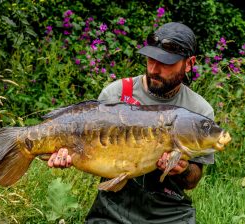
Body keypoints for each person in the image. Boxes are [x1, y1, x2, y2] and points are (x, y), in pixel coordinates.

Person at [48, 22, 215, 224]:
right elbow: (90, 151)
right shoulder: (116, 94)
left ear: (189, 64)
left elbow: (192, 180)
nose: (154, 69)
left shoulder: (199, 111)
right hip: (113, 206)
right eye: (151, 59)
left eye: (166, 63)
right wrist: (68, 154)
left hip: (168, 212)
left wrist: (184, 169)